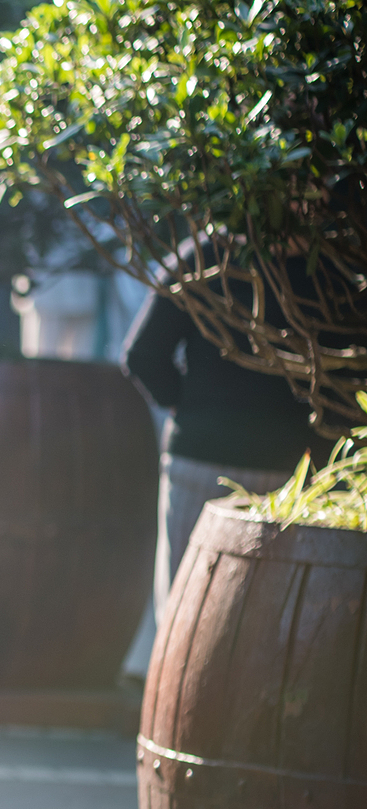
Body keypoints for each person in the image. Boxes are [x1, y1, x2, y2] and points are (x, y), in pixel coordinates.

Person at [123, 251, 327, 640]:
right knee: (271, 627)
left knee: (182, 618)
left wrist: (194, 407)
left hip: (201, 457)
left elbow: (142, 355)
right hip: (290, 464)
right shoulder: (323, 263)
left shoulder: (203, 256)